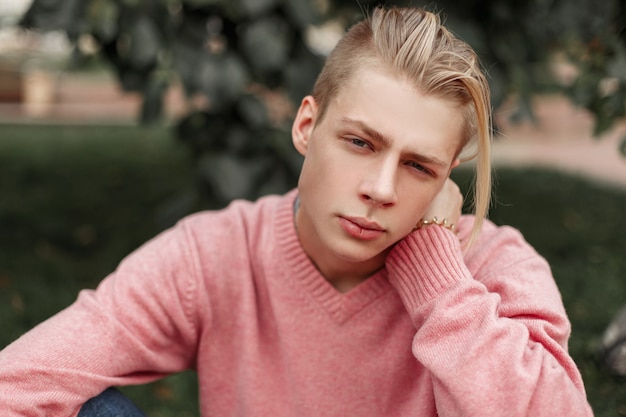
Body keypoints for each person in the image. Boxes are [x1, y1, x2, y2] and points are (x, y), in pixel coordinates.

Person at [0, 6, 593, 417]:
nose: (381, 189)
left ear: (446, 181)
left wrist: (437, 277)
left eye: (419, 167)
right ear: (307, 125)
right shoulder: (216, 253)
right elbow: (20, 382)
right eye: (360, 143)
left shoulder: (493, 263)